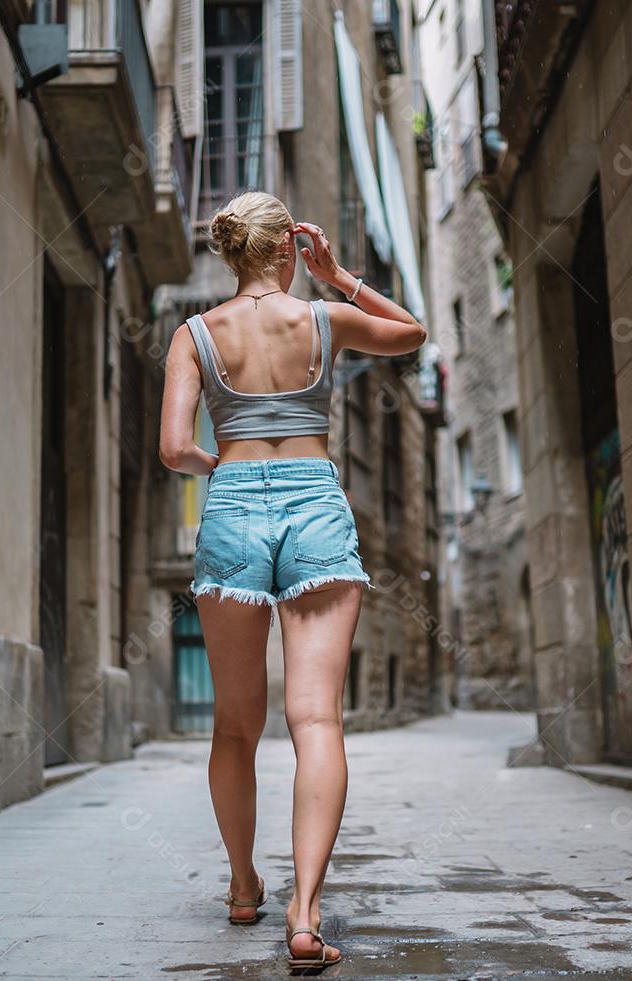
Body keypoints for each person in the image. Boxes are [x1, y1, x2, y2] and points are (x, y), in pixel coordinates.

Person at [158, 191, 426, 970]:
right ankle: (304, 916)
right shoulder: (320, 318)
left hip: (235, 504)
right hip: (315, 499)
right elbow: (411, 333)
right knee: (316, 720)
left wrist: (225, 467)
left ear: (233, 250)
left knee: (236, 724)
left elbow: (176, 447)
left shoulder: (194, 334)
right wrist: (338, 275)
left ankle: (245, 886)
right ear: (287, 249)